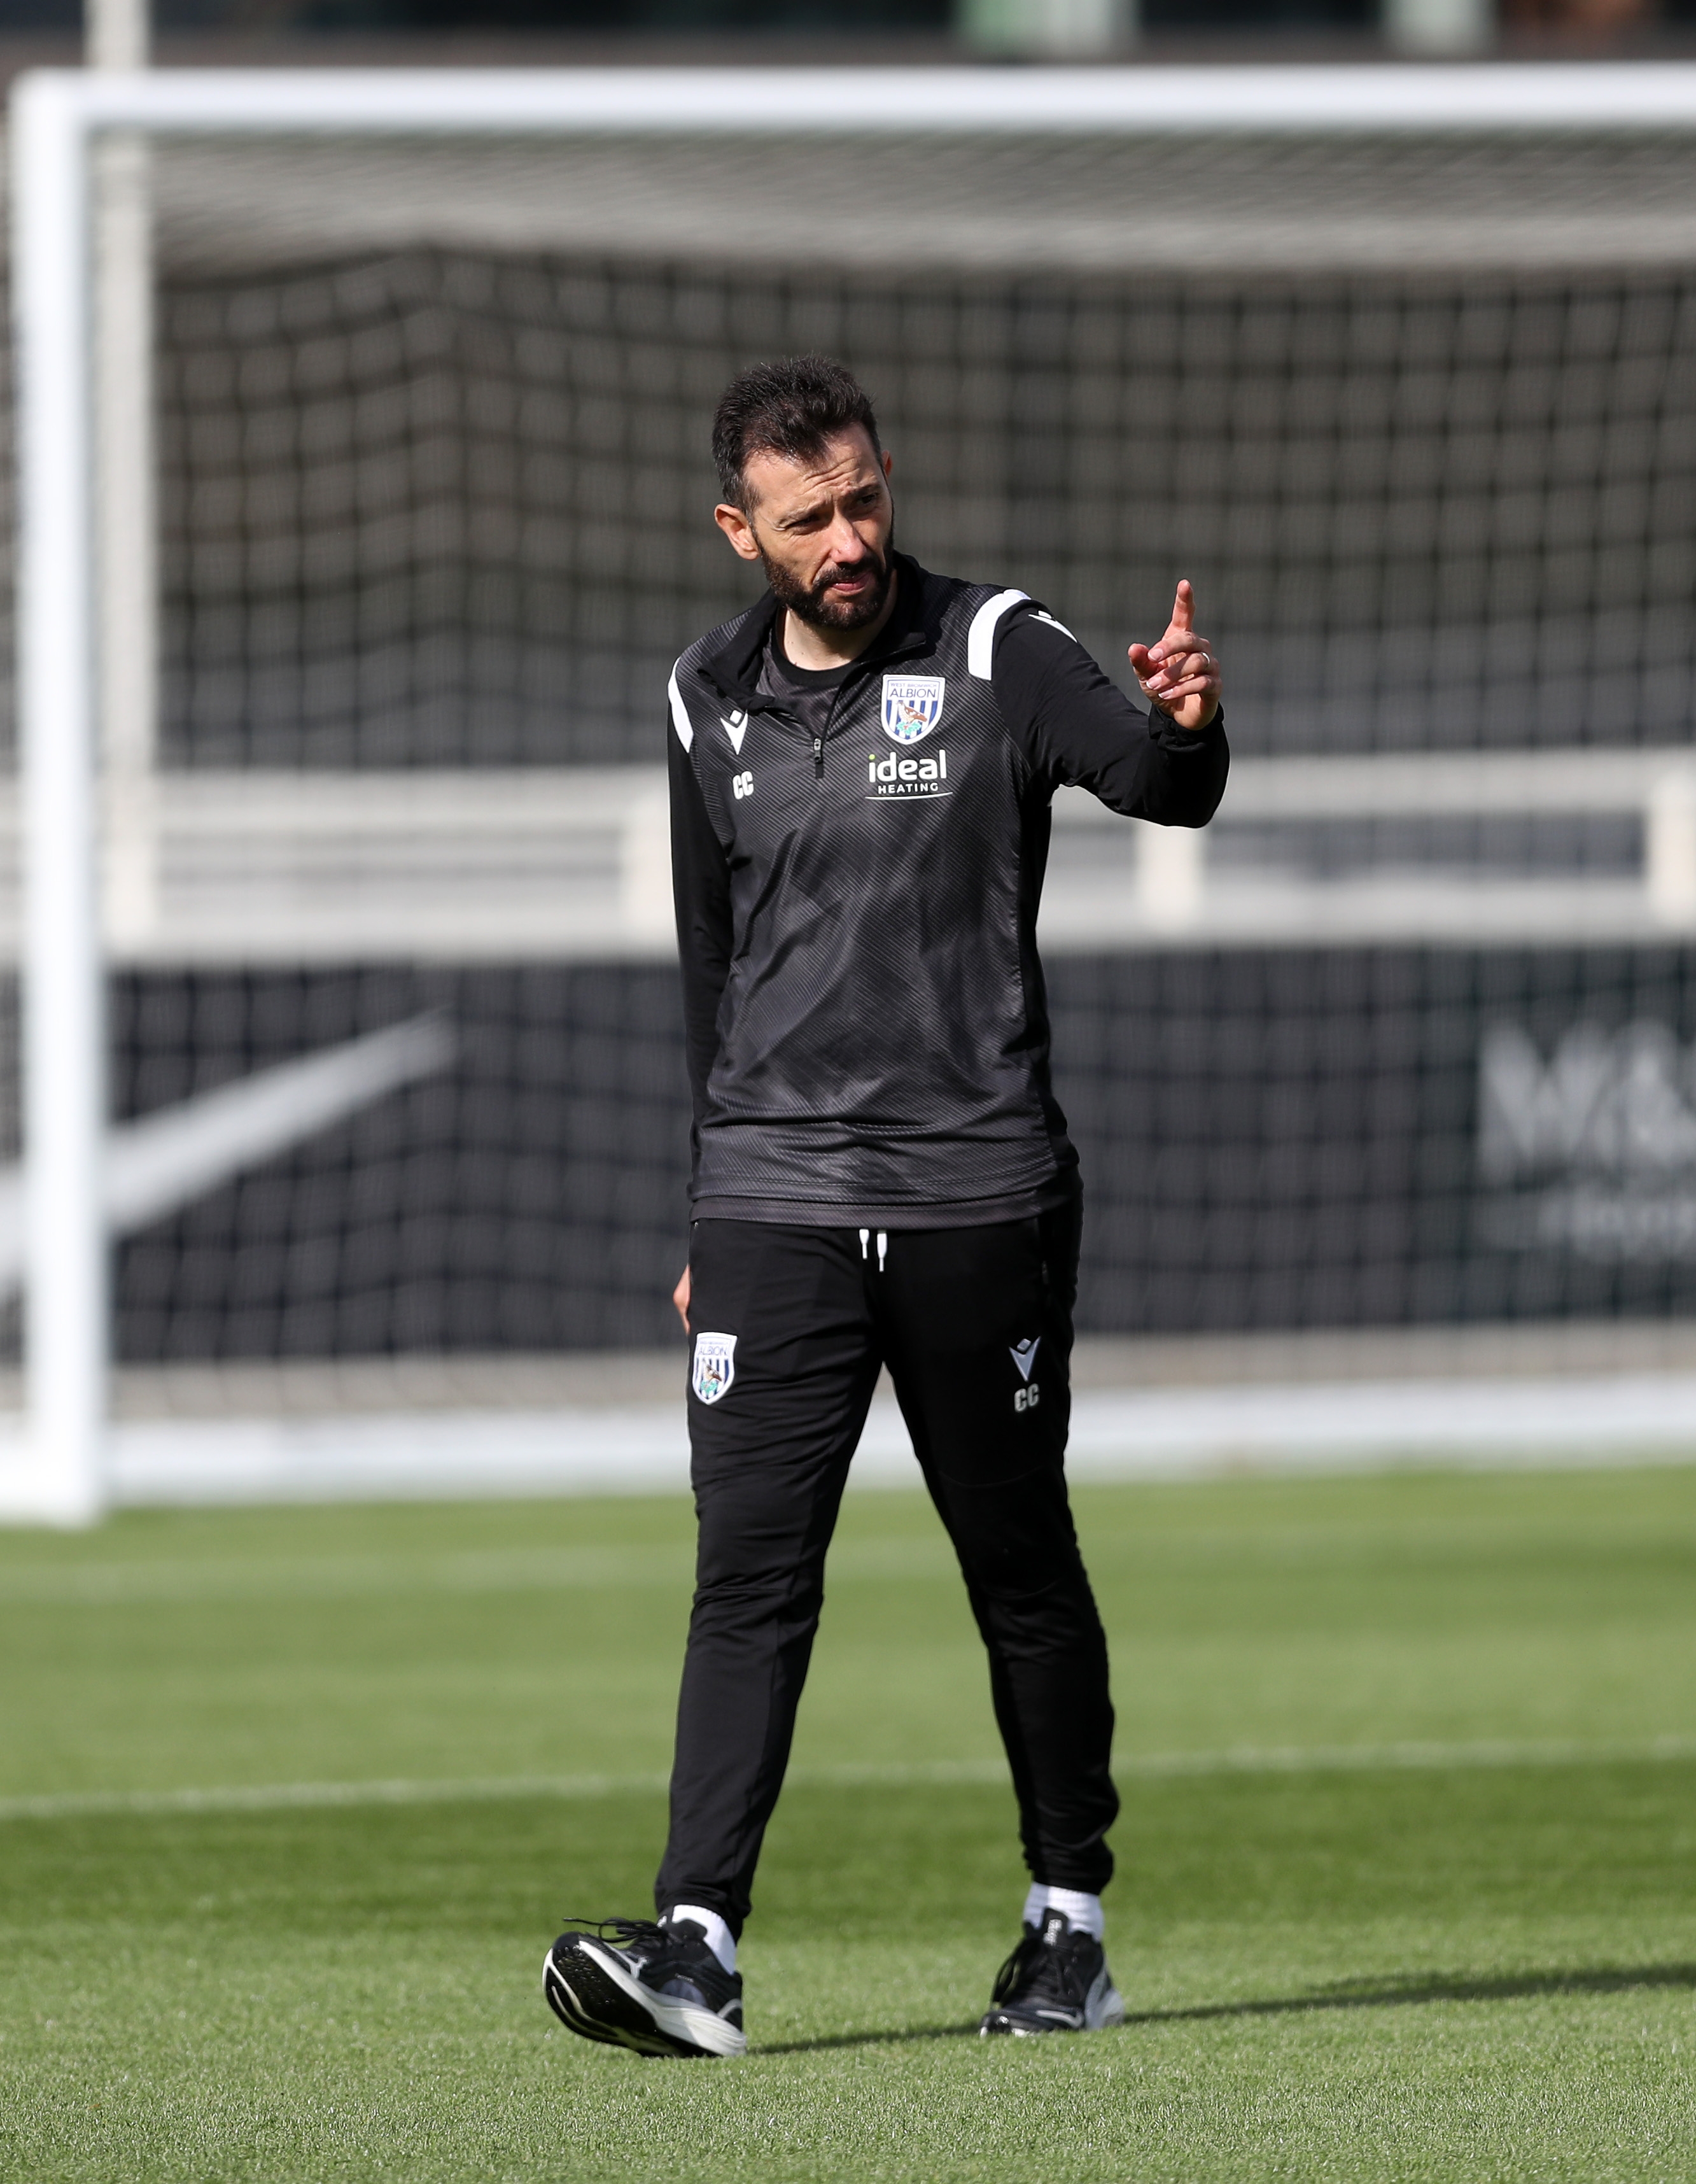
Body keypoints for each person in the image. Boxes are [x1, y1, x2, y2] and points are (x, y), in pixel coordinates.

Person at [541, 355, 1227, 2060]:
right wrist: (710, 1205)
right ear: (738, 532)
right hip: (770, 1193)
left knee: (1014, 1560)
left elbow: (1154, 787)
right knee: (746, 1577)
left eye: (863, 498)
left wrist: (1188, 727)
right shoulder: (703, 698)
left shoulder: (996, 647)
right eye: (807, 517)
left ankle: (1067, 1925)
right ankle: (695, 1948)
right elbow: (721, 964)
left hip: (973, 1191)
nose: (848, 537)